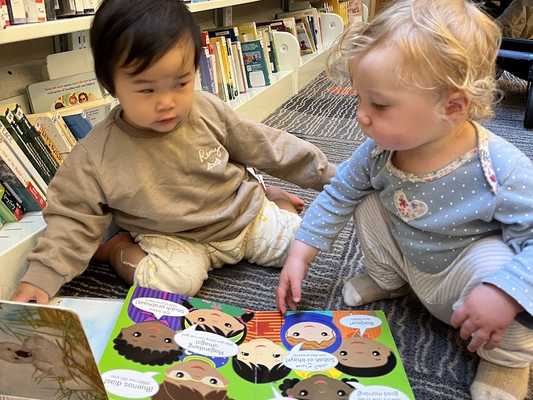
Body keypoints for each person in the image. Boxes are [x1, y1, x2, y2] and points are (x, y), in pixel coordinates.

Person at [276, 1, 533, 399]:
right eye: (361, 99)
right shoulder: (378, 150)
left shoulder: (500, 167)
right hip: (410, 261)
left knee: (513, 277)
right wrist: (301, 251)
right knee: (363, 199)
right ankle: (388, 281)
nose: (361, 116)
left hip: (469, 290)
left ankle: (505, 365)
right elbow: (338, 193)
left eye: (378, 105)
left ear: (452, 106)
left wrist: (504, 291)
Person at [11, 0, 335, 305]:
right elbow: (71, 218)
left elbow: (270, 146)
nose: (167, 101)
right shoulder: (96, 154)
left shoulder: (207, 110)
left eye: (181, 83)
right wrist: (41, 279)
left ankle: (266, 194)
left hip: (241, 218)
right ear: (110, 85)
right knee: (168, 286)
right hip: (172, 237)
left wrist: (331, 176)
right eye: (147, 89)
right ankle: (113, 251)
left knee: (307, 243)